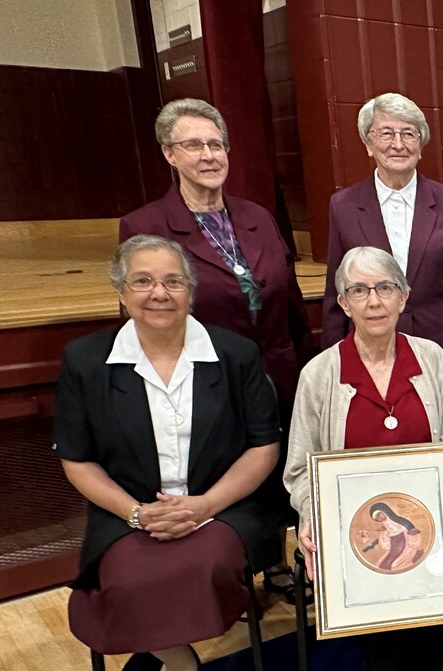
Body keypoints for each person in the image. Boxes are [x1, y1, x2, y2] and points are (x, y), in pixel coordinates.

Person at [54, 235, 281, 671]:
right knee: (124, 582)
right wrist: (137, 514)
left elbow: (262, 446)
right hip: (130, 513)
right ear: (120, 291)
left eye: (173, 281)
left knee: (206, 568)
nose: (159, 293)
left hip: (222, 506)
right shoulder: (84, 361)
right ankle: (180, 663)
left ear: (191, 292)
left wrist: (204, 506)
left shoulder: (236, 355)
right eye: (142, 281)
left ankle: (156, 652)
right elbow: (78, 459)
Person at [120, 98, 310, 595]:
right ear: (169, 153)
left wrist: (308, 368)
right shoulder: (146, 225)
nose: (208, 155)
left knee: (279, 461)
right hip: (206, 377)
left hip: (277, 366)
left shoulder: (258, 217)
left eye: (216, 143)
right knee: (229, 465)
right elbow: (144, 317)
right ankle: (235, 566)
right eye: (193, 144)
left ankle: (279, 561)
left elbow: (287, 297)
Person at [285, 246, 443, 671]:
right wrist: (314, 519)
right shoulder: (319, 374)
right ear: (342, 302)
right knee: (382, 633)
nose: (373, 301)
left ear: (403, 297)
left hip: (425, 523)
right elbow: (300, 469)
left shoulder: (432, 359)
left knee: (427, 626)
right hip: (353, 533)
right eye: (359, 290)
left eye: (385, 288)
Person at [323, 93, 443, 403]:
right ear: (368, 143)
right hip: (373, 357)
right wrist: (332, 368)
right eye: (386, 133)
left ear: (421, 145)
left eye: (409, 133)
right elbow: (334, 296)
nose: (398, 144)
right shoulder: (344, 207)